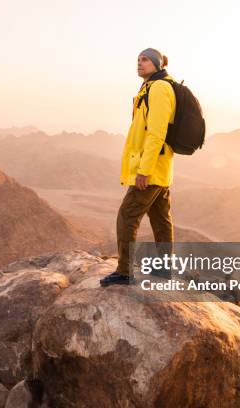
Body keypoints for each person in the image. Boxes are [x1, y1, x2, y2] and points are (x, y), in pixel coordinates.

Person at [100, 48, 177, 287]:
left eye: (145, 60)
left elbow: (156, 132)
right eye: (138, 59)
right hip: (159, 166)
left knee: (127, 216)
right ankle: (165, 269)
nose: (139, 63)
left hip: (151, 168)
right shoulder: (151, 87)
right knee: (160, 218)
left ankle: (124, 271)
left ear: (157, 64)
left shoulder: (160, 88)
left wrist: (144, 169)